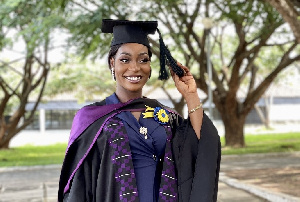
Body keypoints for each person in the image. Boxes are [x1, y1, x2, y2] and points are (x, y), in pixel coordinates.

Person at [58, 19, 221, 202]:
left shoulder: (164, 115)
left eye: (143, 60)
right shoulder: (91, 119)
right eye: (125, 59)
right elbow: (79, 184)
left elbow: (200, 146)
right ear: (113, 63)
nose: (135, 67)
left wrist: (191, 95)